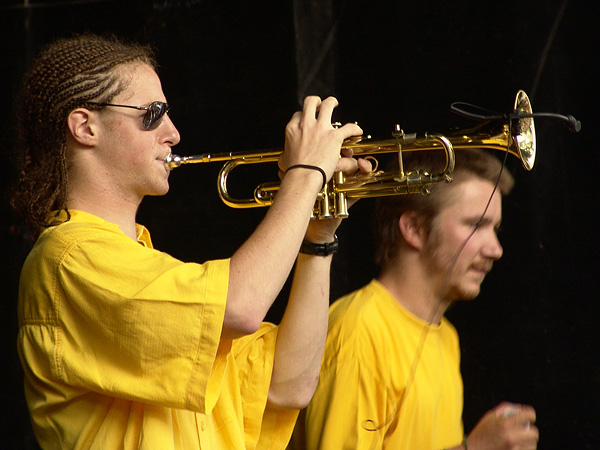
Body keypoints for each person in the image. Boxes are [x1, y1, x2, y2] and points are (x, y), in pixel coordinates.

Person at [10, 33, 368, 450]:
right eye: (153, 113)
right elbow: (242, 306)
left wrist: (317, 239)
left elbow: (290, 385)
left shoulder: (141, 266)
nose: (174, 133)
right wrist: (305, 174)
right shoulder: (68, 259)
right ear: (85, 126)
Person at [303, 148, 540, 450]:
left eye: (494, 229)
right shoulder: (359, 331)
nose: (496, 249)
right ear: (414, 228)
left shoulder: (447, 338)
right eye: (475, 225)